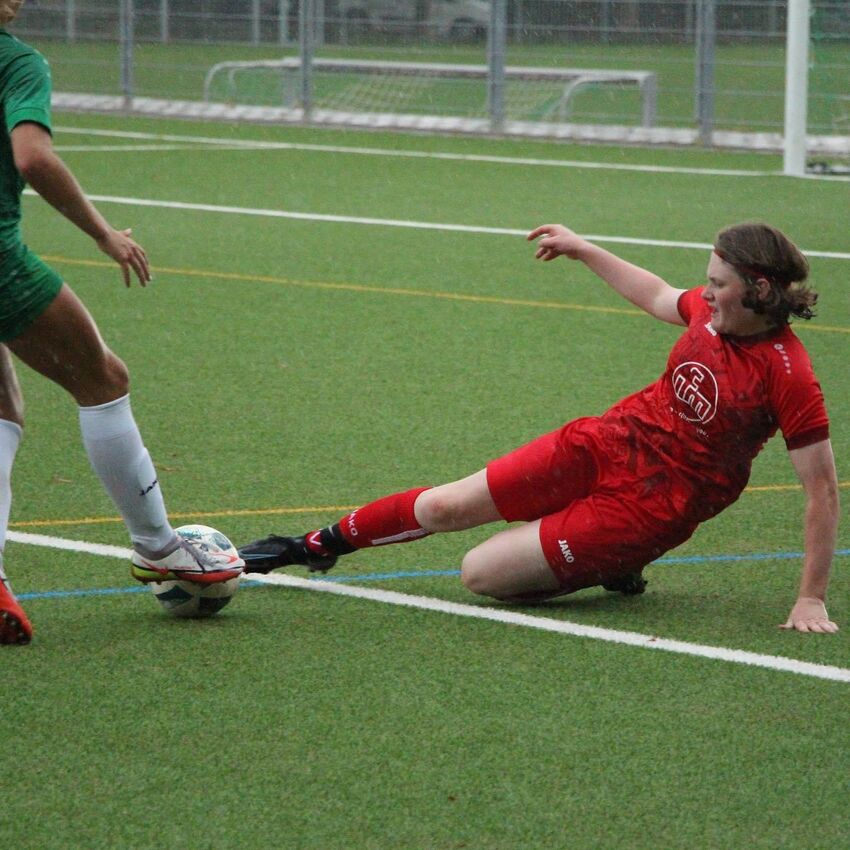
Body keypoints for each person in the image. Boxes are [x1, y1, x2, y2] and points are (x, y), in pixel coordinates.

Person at [239, 220, 840, 634]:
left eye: (718, 284)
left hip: (653, 505)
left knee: (480, 573)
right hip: (606, 443)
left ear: (760, 290)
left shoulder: (789, 375)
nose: (705, 294)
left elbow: (822, 492)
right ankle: (311, 546)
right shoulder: (709, 317)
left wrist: (810, 597)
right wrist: (583, 248)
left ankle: (611, 562)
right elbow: (657, 293)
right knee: (447, 505)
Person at [0, 3, 243, 646]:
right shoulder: (15, 61)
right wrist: (103, 233)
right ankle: (159, 546)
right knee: (102, 380)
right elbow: (32, 158)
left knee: (1, 405)